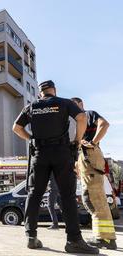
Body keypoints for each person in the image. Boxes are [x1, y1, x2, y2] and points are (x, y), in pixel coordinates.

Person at [12, 80, 98, 254]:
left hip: (39, 154)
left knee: (34, 194)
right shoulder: (64, 102)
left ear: (40, 93)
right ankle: (73, 240)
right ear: (54, 90)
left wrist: (31, 139)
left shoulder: (32, 106)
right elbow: (81, 118)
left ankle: (31, 236)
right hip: (61, 153)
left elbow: (16, 127)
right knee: (67, 195)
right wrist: (77, 141)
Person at [72, 97, 116, 250]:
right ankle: (102, 236)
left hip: (90, 156)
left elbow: (104, 124)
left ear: (81, 105)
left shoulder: (89, 114)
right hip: (85, 159)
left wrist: (93, 142)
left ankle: (106, 238)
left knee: (95, 199)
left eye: (74, 105)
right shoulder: (77, 121)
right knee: (89, 199)